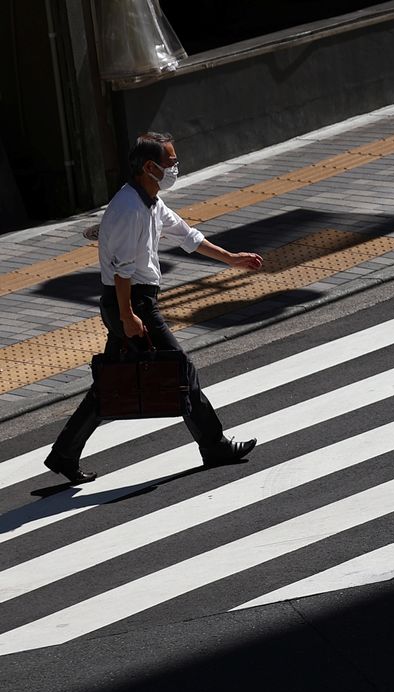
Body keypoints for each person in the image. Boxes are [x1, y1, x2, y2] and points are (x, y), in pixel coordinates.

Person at [44, 132, 261, 484]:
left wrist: (232, 259)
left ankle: (64, 454)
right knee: (181, 369)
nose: (175, 168)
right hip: (132, 303)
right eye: (171, 162)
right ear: (150, 166)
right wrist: (129, 316)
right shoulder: (129, 209)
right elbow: (121, 271)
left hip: (131, 303)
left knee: (113, 382)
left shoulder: (150, 202)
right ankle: (214, 444)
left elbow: (187, 235)